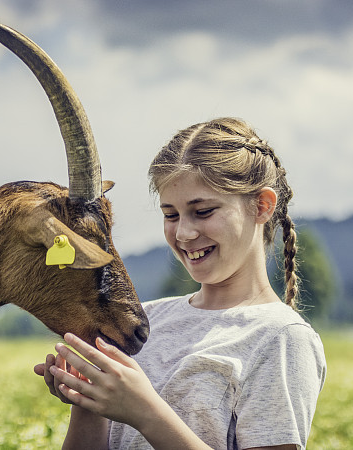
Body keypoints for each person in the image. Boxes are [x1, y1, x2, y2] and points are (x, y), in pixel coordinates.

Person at [34, 117, 326, 449]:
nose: (184, 233)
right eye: (170, 215)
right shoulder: (144, 320)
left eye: (202, 212)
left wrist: (145, 412)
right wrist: (89, 401)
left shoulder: (282, 338)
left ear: (261, 206)